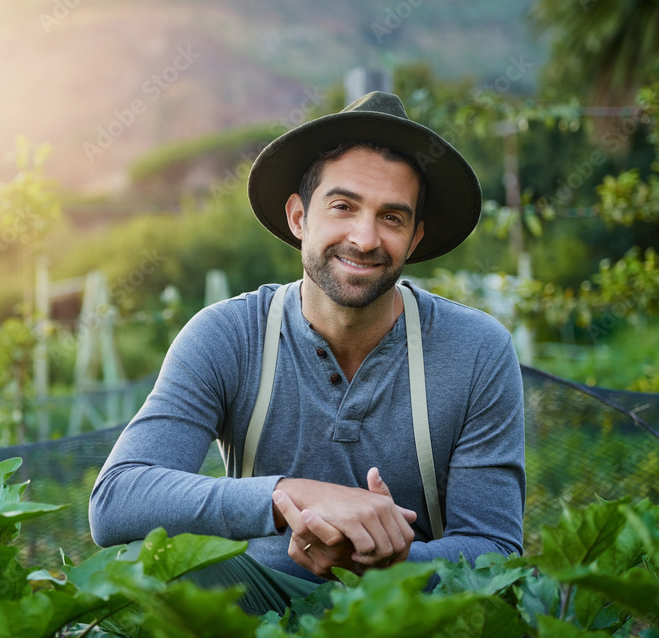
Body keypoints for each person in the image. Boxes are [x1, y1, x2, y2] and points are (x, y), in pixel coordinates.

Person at [89, 91, 526, 615]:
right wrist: (291, 497)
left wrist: (382, 562)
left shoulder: (477, 349)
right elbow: (117, 498)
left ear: (415, 238)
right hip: (256, 605)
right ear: (299, 216)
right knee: (143, 568)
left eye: (392, 218)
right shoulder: (228, 334)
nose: (364, 238)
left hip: (405, 611)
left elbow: (495, 552)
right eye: (343, 207)